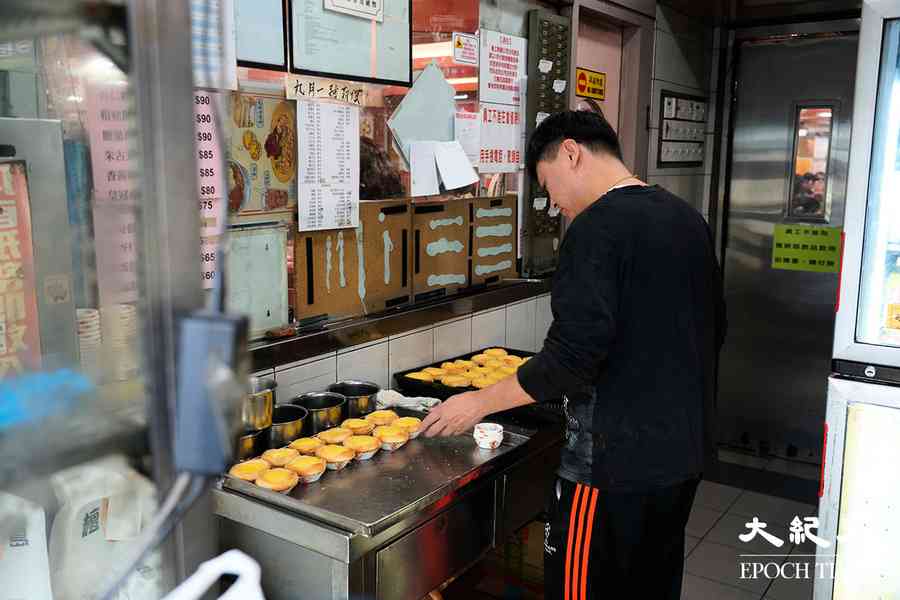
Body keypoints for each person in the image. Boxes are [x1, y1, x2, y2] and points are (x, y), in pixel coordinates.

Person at [420, 110, 727, 600]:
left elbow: (569, 359)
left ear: (571, 152)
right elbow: (714, 328)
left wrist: (477, 402)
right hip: (681, 456)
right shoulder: (686, 219)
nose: (552, 202)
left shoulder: (595, 229)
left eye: (547, 184)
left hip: (612, 466)